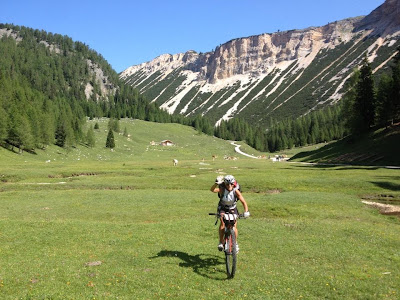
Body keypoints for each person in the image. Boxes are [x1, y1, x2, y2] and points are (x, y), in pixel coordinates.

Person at [210, 175, 250, 252]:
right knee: (222, 223)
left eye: (231, 184)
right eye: (227, 184)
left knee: (234, 226)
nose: (229, 186)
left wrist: (246, 211)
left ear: (233, 184)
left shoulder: (236, 191)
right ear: (224, 184)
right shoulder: (222, 189)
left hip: (232, 208)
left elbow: (243, 201)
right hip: (222, 208)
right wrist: (216, 183)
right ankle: (221, 242)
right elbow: (212, 190)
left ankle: (235, 243)